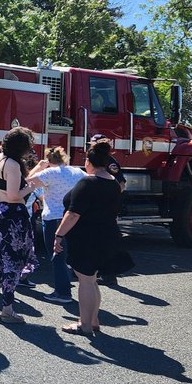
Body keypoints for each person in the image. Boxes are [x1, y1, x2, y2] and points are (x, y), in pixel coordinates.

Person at [54, 139, 123, 336]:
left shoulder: (88, 182)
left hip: (87, 238)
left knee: (85, 280)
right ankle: (93, 321)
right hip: (106, 235)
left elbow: (73, 213)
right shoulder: (113, 183)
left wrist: (59, 235)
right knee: (91, 280)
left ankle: (84, 325)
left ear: (89, 161)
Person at [0, 126, 38, 323]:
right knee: (11, 262)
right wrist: (30, 187)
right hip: (11, 217)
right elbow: (14, 196)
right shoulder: (13, 164)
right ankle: (7, 309)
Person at [28, 145, 85, 304]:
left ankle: (63, 292)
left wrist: (38, 167)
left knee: (57, 256)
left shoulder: (49, 173)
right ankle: (74, 288)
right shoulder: (77, 172)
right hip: (72, 218)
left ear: (48, 159)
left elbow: (27, 183)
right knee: (69, 255)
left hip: (53, 218)